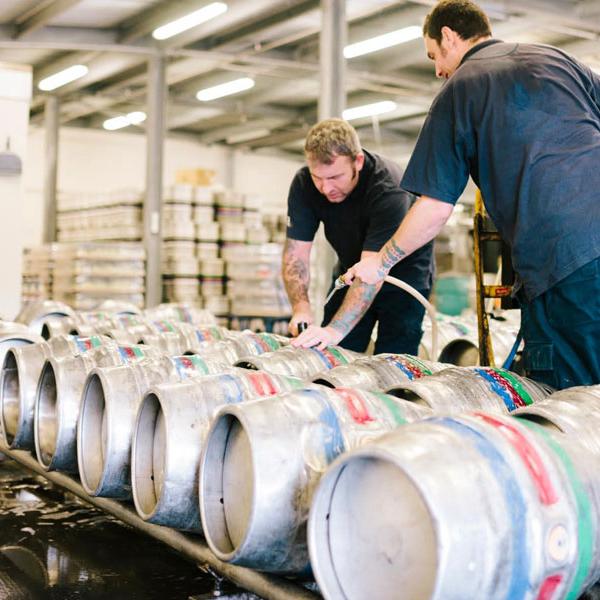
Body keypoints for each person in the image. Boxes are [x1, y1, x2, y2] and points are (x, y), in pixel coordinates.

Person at [346, 0, 600, 390]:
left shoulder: (461, 88)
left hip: (562, 264)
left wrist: (380, 263)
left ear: (448, 36)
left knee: (574, 399)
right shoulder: (558, 59)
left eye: (433, 55)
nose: (437, 70)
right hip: (579, 253)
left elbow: (434, 207)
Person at [283, 118, 434, 354]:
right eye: (318, 177)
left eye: (335, 177)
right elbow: (296, 255)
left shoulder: (389, 188)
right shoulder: (304, 184)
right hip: (351, 271)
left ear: (358, 161)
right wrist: (301, 308)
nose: (325, 188)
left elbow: (373, 269)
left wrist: (335, 331)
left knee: (393, 358)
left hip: (403, 276)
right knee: (333, 353)